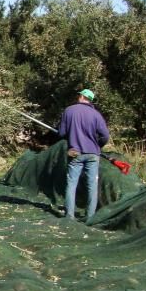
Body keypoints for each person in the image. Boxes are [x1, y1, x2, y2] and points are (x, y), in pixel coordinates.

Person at [58, 89, 109, 223]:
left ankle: (69, 216)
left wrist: (69, 134)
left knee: (71, 183)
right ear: (90, 99)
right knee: (92, 184)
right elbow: (105, 136)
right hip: (93, 153)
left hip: (75, 152)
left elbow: (61, 133)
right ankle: (90, 216)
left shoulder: (69, 111)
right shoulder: (96, 115)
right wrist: (98, 145)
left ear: (81, 96)